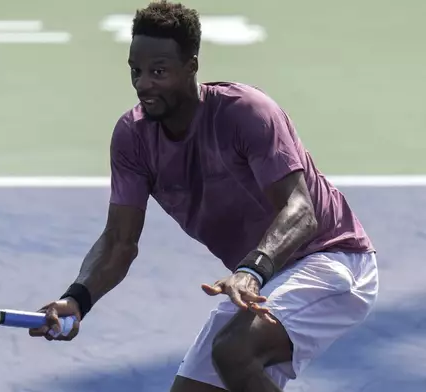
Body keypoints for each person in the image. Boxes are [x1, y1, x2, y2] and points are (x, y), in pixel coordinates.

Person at [28, 1, 379, 391]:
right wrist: (77, 299)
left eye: (158, 72)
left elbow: (300, 211)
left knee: (233, 351)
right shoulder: (132, 137)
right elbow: (118, 243)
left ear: (191, 66)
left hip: (331, 259)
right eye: (136, 71)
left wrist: (250, 271)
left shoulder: (246, 112)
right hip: (266, 280)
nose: (144, 83)